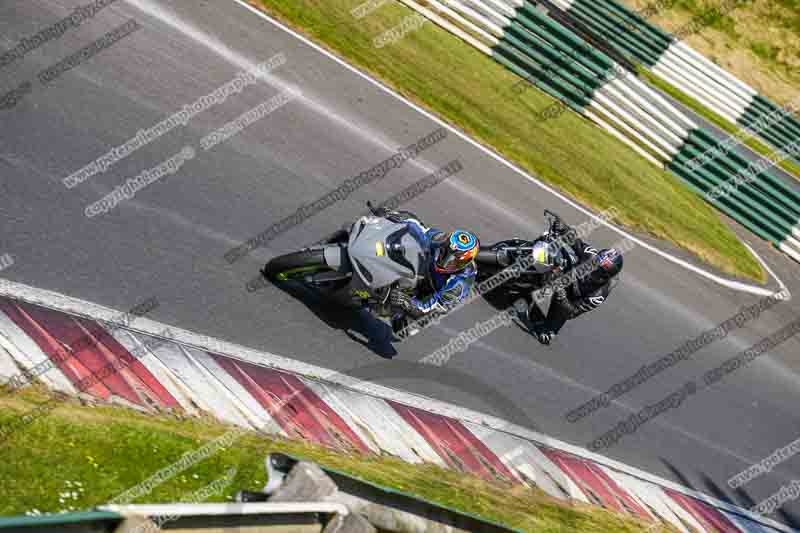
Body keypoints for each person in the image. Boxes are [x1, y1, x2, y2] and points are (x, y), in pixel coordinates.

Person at [370, 208, 479, 336]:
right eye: (444, 253)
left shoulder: (460, 284)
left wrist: (408, 304)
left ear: (464, 263)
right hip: (422, 270)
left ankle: (393, 310)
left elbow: (434, 308)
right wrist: (391, 215)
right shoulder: (439, 239)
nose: (445, 262)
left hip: (429, 294)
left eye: (453, 262)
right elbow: (417, 226)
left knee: (403, 329)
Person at [530, 217, 623, 345]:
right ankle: (524, 257)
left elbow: (573, 312)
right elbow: (576, 243)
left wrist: (561, 295)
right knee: (552, 244)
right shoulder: (591, 254)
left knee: (546, 336)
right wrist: (564, 228)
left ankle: (532, 306)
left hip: (568, 297)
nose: (592, 268)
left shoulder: (599, 294)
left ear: (605, 276)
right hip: (566, 272)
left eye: (598, 269)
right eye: (595, 262)